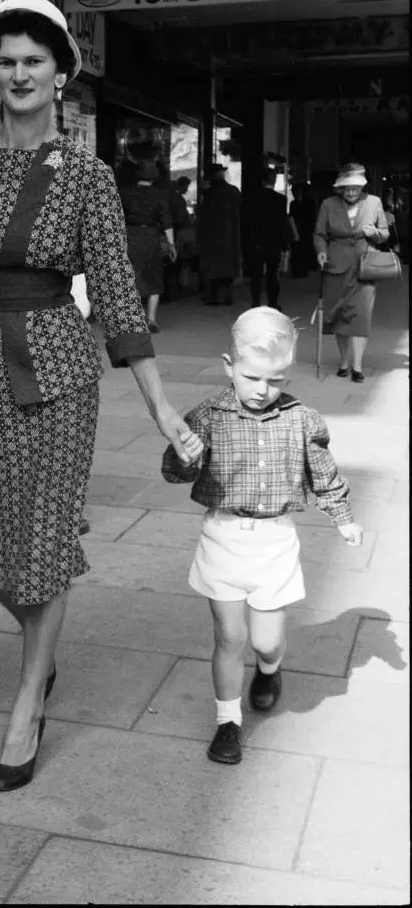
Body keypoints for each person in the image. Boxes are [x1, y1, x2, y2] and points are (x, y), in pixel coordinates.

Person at [0, 0, 193, 793]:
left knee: (43, 540)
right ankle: (43, 651)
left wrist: (161, 405)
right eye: (6, 61)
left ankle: (28, 700)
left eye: (34, 60)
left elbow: (119, 297)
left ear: (60, 74)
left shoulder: (90, 176)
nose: (19, 73)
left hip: (58, 371)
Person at [161, 307, 363, 765]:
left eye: (275, 380)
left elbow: (324, 474)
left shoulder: (302, 419)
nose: (262, 390)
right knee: (229, 638)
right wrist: (185, 456)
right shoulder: (209, 415)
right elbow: (173, 470)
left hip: (274, 542)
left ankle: (269, 669)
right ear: (229, 366)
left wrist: (343, 517)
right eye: (252, 377)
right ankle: (227, 723)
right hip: (223, 536)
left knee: (266, 640)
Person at [313, 162, 389, 384]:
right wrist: (321, 252)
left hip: (365, 266)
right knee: (339, 315)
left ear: (362, 187)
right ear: (339, 189)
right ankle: (343, 362)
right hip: (335, 265)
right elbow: (319, 233)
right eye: (347, 188)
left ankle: (357, 366)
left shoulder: (374, 202)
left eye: (356, 188)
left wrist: (375, 233)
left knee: (361, 316)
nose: (352, 192)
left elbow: (385, 234)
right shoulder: (328, 204)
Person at [119, 156, 175, 332]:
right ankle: (150, 318)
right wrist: (172, 244)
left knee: (130, 277)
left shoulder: (125, 192)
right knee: (154, 278)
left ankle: (131, 319)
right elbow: (166, 221)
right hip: (151, 237)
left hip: (130, 237)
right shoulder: (159, 195)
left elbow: (117, 217)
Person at [245, 167, 295, 312]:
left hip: (255, 242)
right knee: (272, 275)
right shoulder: (280, 199)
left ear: (261, 180)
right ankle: (273, 303)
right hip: (273, 242)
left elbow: (247, 221)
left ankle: (255, 303)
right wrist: (285, 243)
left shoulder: (252, 198)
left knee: (256, 275)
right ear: (273, 181)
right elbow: (282, 222)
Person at [197, 163, 241, 306]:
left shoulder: (209, 194)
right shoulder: (234, 191)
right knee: (228, 266)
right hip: (231, 236)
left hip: (213, 237)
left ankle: (214, 296)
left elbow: (203, 218)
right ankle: (228, 295)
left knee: (213, 267)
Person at [289, 180, 317, 277]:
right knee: (297, 250)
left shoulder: (308, 202)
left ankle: (303, 269)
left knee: (304, 249)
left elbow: (311, 217)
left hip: (305, 229)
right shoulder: (294, 203)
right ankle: (298, 270)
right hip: (297, 228)